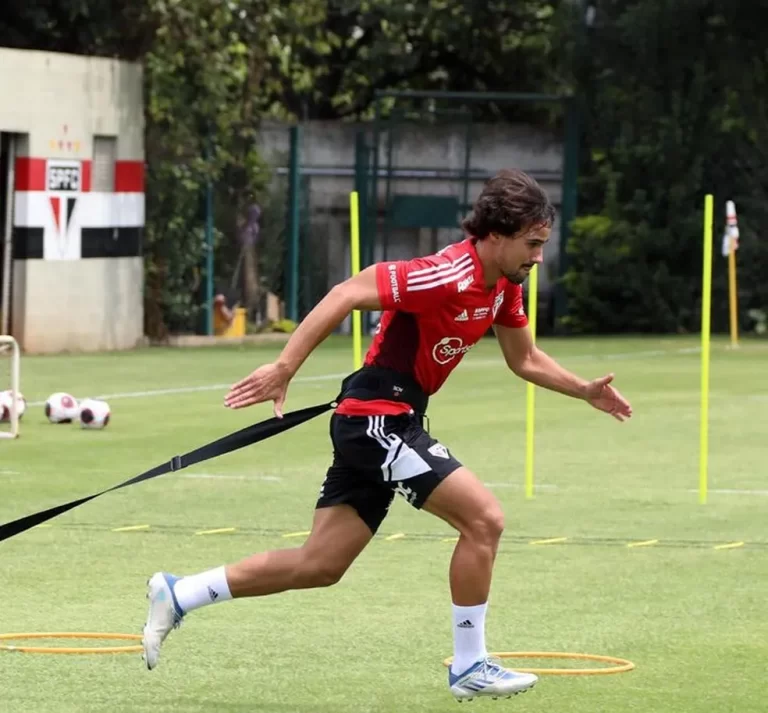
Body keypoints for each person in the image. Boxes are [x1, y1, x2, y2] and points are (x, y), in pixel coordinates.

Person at [141, 169, 632, 701]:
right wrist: (285, 367)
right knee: (485, 519)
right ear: (496, 234)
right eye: (532, 244)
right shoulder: (445, 273)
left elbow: (527, 358)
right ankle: (470, 665)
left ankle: (180, 592)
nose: (538, 257)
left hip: (390, 418)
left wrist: (583, 390)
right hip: (376, 417)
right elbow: (347, 292)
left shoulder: (503, 288)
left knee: (320, 564)